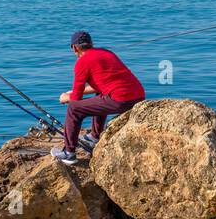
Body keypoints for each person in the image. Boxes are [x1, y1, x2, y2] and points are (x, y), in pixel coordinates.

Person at [51, 30, 145, 165]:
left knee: (73, 108)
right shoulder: (107, 53)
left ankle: (69, 153)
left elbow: (76, 99)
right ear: (91, 44)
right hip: (138, 96)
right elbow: (101, 86)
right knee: (101, 95)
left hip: (121, 100)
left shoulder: (82, 62)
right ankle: (94, 137)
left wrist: (66, 97)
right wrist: (73, 92)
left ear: (74, 47)